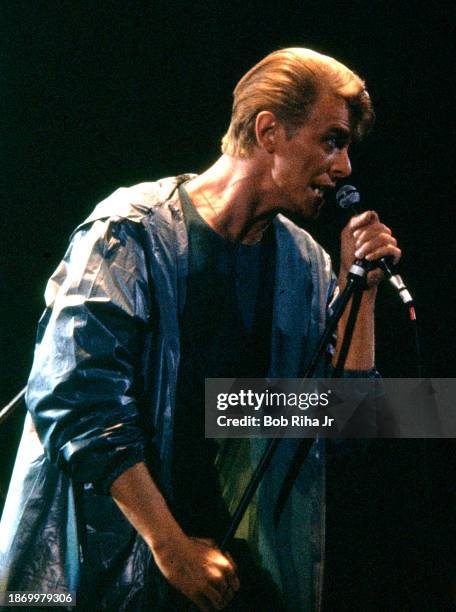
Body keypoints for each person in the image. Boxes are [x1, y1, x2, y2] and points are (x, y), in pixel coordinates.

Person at [0, 48, 400, 611]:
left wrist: (361, 293)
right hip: (106, 559)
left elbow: (346, 420)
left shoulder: (304, 264)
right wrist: (170, 544)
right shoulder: (130, 232)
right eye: (331, 140)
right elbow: (77, 397)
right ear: (269, 131)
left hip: (224, 566)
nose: (344, 167)